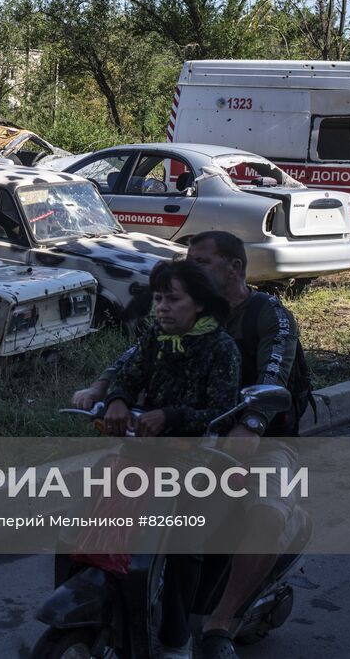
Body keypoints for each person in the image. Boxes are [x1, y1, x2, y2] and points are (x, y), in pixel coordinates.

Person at [93, 259, 242, 659]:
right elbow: (128, 376)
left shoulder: (221, 348)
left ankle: (177, 638)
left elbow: (222, 412)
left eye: (173, 299)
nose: (162, 307)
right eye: (158, 298)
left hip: (196, 461)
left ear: (200, 305)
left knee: (182, 541)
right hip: (142, 452)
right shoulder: (153, 337)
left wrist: (171, 416)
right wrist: (118, 400)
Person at [185, 230, 310, 659]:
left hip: (263, 442)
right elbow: (148, 357)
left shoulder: (268, 313)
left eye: (200, 262)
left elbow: (275, 372)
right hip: (199, 435)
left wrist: (252, 423)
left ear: (234, 267)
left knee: (266, 513)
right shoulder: (194, 312)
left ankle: (220, 623)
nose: (189, 270)